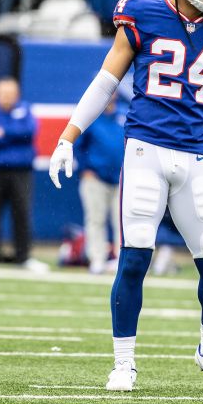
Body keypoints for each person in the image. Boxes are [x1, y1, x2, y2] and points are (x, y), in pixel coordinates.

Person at [47, 0, 203, 394]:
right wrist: (68, 137)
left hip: (196, 157)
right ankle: (124, 363)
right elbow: (105, 82)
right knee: (135, 257)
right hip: (145, 151)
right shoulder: (142, 13)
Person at [0, 78, 46, 272]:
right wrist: (13, 133)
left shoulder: (25, 110)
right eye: (3, 94)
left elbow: (29, 132)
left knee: (22, 213)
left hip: (21, 171)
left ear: (17, 95)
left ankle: (23, 256)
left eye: (10, 94)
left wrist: (3, 132)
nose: (7, 98)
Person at [75, 96, 125, 274]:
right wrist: (84, 168)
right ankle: (97, 258)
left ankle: (122, 259)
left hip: (122, 177)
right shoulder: (90, 116)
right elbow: (78, 145)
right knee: (95, 219)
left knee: (123, 221)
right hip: (95, 177)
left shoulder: (124, 114)